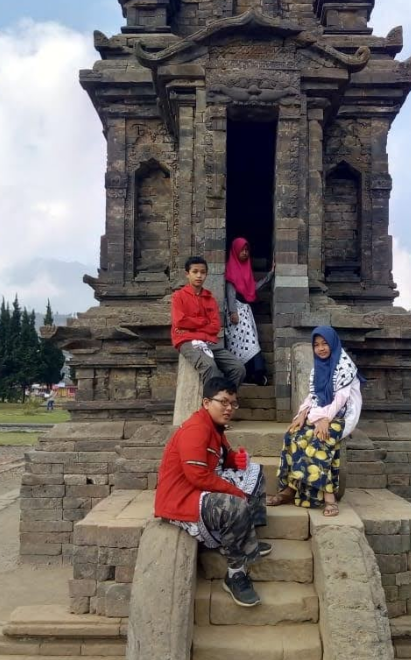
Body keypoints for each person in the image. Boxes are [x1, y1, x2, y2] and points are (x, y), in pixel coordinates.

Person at [154, 376, 269, 607]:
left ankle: (248, 537)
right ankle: (235, 573)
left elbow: (223, 460)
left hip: (199, 487)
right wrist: (234, 493)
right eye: (223, 402)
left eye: (233, 404)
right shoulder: (196, 429)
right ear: (207, 402)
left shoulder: (214, 428)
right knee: (234, 504)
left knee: (255, 472)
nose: (229, 408)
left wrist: (237, 461)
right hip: (183, 497)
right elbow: (197, 476)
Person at [266, 326, 363, 517]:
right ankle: (290, 489)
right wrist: (302, 414)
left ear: (333, 343)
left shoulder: (344, 366)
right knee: (293, 435)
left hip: (343, 415)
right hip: (321, 413)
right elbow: (313, 396)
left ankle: (329, 498)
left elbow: (341, 400)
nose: (321, 348)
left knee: (321, 438)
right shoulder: (317, 368)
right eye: (316, 345)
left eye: (325, 343)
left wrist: (325, 420)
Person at [172, 256, 246, 389]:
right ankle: (211, 404)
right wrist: (203, 322)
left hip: (209, 342)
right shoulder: (179, 296)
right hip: (187, 341)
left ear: (206, 274)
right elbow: (180, 321)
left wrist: (192, 326)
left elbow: (215, 327)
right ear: (187, 274)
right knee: (210, 367)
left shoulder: (210, 299)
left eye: (203, 272)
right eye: (195, 272)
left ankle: (225, 397)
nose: (199, 275)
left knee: (238, 368)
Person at [224, 238, 274, 386]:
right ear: (235, 251)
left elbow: (253, 288)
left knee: (251, 341)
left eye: (247, 250)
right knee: (244, 343)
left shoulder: (246, 270)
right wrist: (233, 311)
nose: (245, 253)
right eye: (242, 250)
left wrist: (270, 275)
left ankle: (256, 374)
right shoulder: (231, 268)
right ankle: (253, 373)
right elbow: (230, 292)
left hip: (245, 310)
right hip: (236, 312)